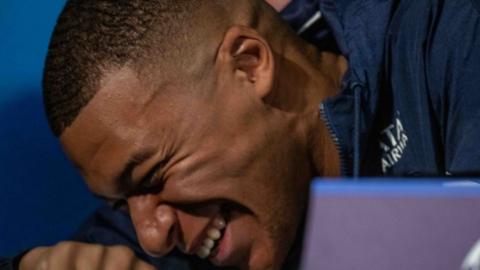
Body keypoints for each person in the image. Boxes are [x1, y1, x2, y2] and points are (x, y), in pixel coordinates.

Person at [2, 0, 480, 269]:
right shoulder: (172, 231)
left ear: (250, 66)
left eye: (151, 176)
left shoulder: (451, 42)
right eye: (121, 203)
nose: (151, 236)